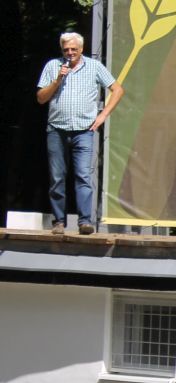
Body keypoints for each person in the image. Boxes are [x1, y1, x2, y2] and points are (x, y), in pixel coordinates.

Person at [36, 31, 124, 235]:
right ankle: (59, 222)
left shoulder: (94, 67)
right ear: (61, 50)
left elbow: (118, 89)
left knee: (83, 175)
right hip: (57, 129)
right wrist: (58, 80)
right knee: (57, 177)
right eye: (66, 49)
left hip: (84, 130)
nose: (70, 53)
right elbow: (41, 98)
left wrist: (103, 115)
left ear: (81, 49)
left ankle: (85, 222)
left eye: (74, 49)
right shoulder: (53, 66)